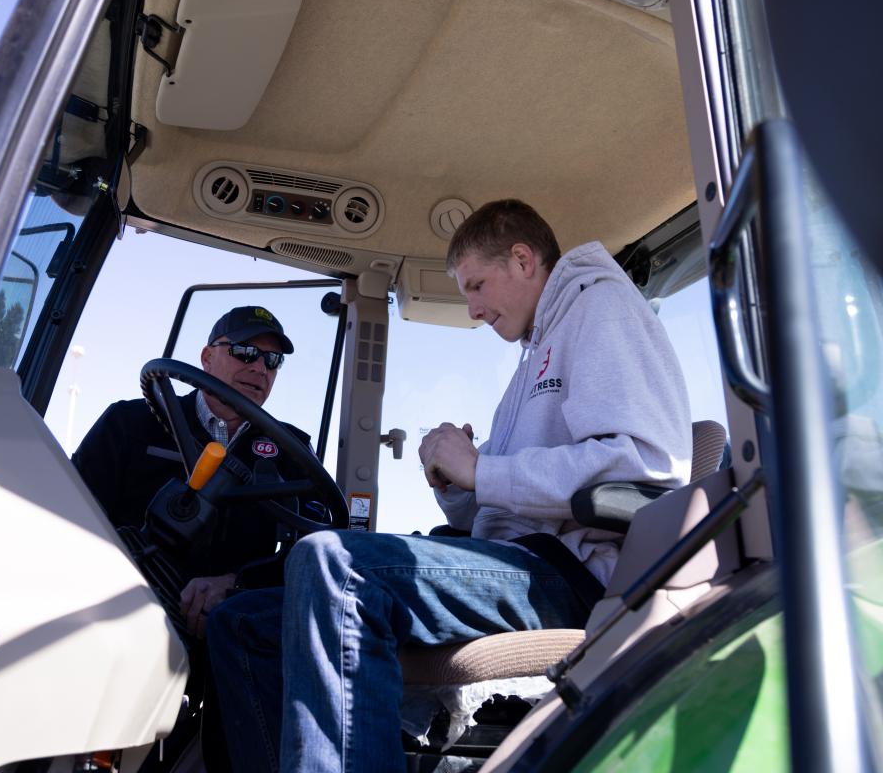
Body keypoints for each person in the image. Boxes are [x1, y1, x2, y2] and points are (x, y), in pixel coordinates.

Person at [205, 199, 693, 772]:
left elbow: (642, 462)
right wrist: (457, 485)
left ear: (522, 259)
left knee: (336, 564)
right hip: (519, 559)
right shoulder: (537, 351)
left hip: (572, 572)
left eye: (477, 286)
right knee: (241, 621)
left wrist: (481, 469)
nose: (474, 309)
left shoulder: (600, 307)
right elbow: (508, 500)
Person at [72, 305, 313, 639]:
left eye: (273, 361)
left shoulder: (292, 451)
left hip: (236, 627)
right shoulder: (129, 424)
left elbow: (312, 551)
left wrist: (238, 584)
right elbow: (72, 519)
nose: (260, 368)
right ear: (206, 357)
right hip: (123, 615)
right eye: (245, 352)